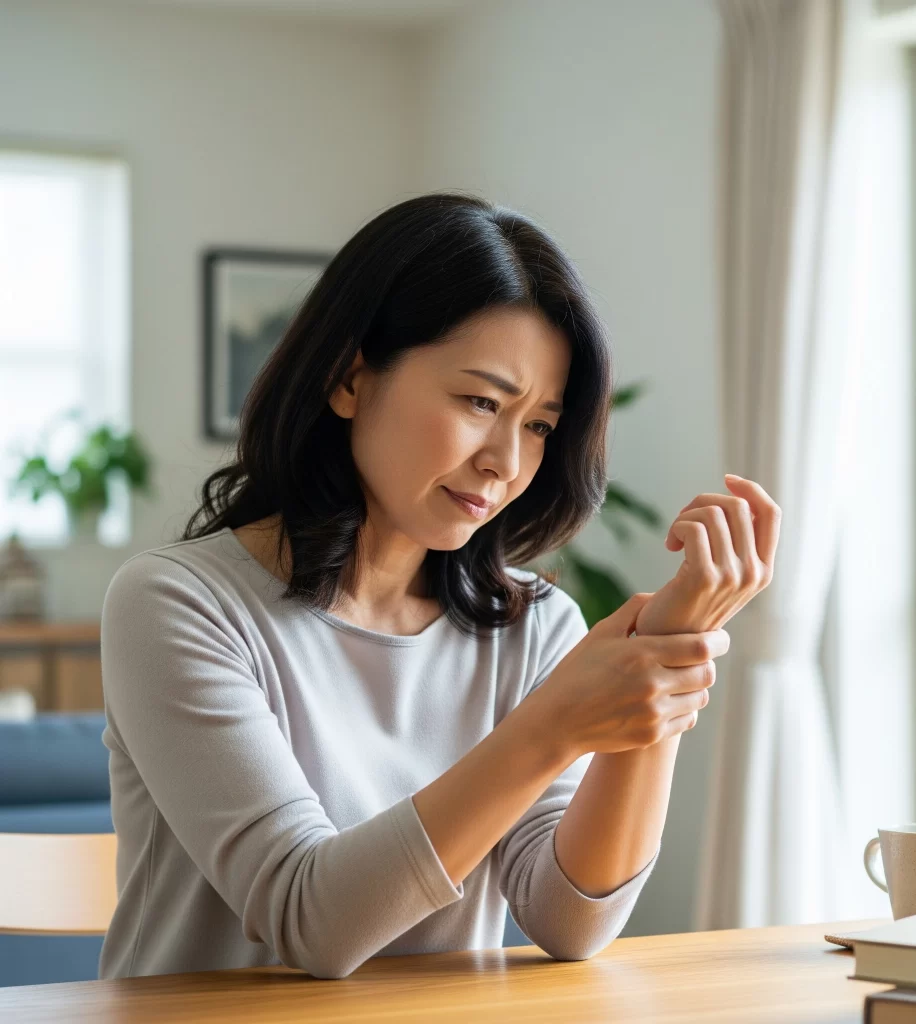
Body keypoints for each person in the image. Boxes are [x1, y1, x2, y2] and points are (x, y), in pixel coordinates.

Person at [98, 191, 780, 981]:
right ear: (349, 380)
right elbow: (307, 919)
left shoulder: (535, 625)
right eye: (480, 401)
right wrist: (552, 727)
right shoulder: (177, 604)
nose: (507, 461)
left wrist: (660, 658)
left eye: (538, 425)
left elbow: (570, 921)